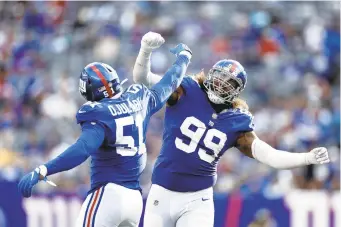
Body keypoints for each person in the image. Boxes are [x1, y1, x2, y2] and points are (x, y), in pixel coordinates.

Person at [133, 32, 331, 227]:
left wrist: (306, 158)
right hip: (162, 191)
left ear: (237, 90)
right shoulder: (187, 90)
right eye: (220, 78)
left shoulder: (237, 121)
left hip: (197, 199)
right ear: (211, 75)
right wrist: (145, 51)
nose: (221, 85)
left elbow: (269, 156)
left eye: (230, 83)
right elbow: (143, 79)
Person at [18, 43, 193, 227]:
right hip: (135, 199)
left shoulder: (99, 112)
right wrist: (183, 57)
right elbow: (169, 83)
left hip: (108, 195)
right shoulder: (139, 98)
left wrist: (44, 170)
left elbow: (83, 149)